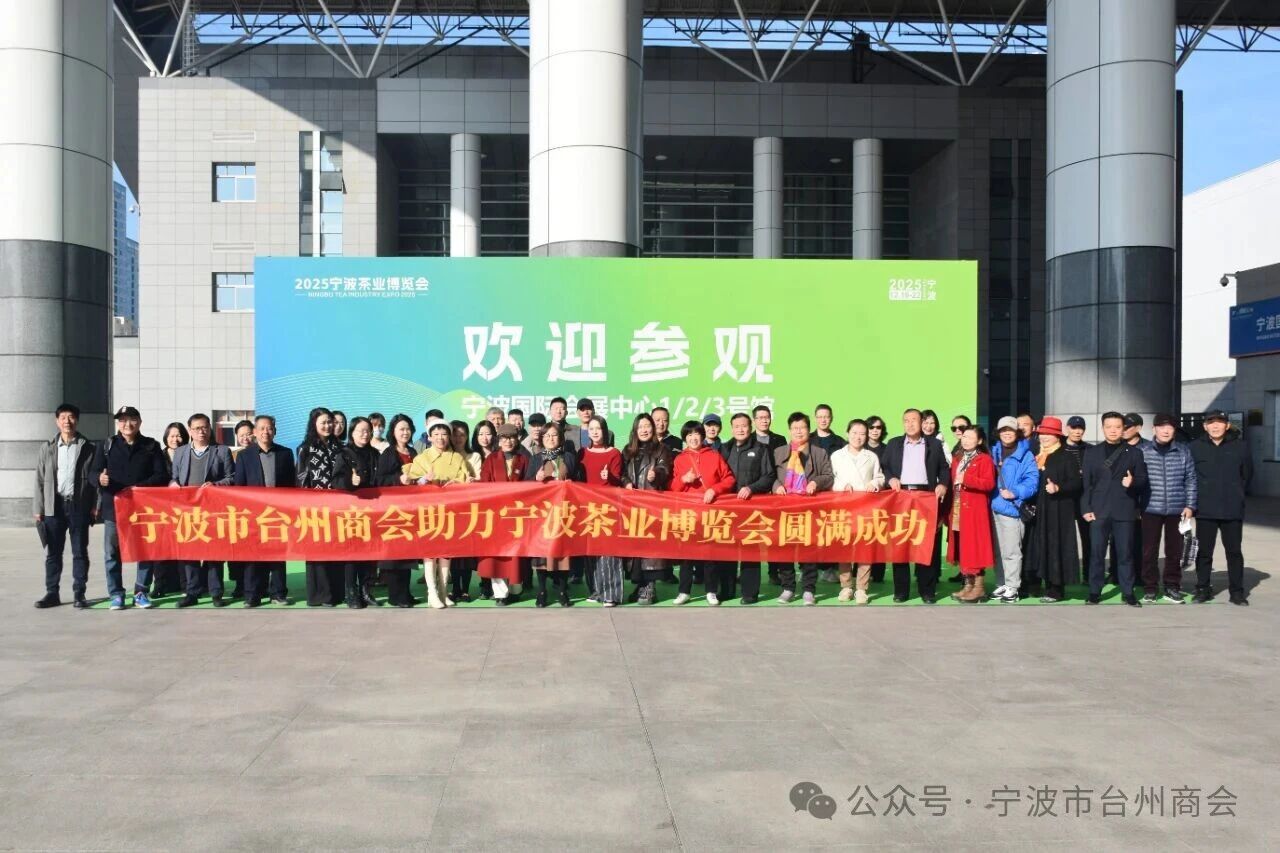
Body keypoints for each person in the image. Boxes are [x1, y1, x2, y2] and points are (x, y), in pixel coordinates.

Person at [90, 406, 169, 610]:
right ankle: (116, 594)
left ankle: (141, 591)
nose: (127, 424)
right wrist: (99, 478)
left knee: (145, 551)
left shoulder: (151, 446)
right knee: (112, 553)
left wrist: (139, 488)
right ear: (118, 423)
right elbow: (92, 473)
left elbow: (161, 475)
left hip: (143, 508)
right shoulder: (106, 445)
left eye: (132, 419)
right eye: (123, 420)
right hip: (114, 509)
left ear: (139, 422)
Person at [882, 408, 951, 603]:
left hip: (925, 497)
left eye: (914, 420)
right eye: (906, 420)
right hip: (901, 496)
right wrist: (890, 478)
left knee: (925, 544)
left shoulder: (934, 444)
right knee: (900, 544)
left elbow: (944, 468)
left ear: (921, 423)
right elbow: (885, 467)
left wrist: (943, 484)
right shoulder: (894, 443)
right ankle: (901, 591)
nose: (910, 424)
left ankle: (927, 591)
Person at [33, 403, 98, 609]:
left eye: (71, 417)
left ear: (77, 420)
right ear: (57, 421)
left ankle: (79, 594)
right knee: (53, 553)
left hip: (79, 506)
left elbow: (95, 480)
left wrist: (95, 505)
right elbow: (39, 479)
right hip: (54, 506)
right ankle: (52, 593)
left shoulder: (88, 447)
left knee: (79, 552)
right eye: (63, 418)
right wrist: (38, 508)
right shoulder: (48, 447)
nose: (67, 421)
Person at [1081, 411, 1148, 606]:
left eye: (1117, 427)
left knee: (1125, 553)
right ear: (1102, 428)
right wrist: (1085, 508)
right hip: (1098, 510)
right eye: (1109, 427)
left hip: (1124, 510)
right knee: (1096, 553)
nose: (1113, 430)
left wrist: (1132, 482)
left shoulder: (1135, 453)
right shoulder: (1092, 453)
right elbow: (1087, 485)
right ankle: (1094, 591)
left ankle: (1128, 592)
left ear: (1123, 429)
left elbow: (1143, 480)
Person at [170, 413, 236, 608]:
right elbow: (174, 477)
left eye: (205, 427)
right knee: (189, 553)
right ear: (189, 431)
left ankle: (216, 592)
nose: (201, 431)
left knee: (214, 553)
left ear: (210, 428)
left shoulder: (222, 451)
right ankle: (192, 592)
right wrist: (173, 483)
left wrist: (216, 485)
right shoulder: (180, 452)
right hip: (187, 509)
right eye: (197, 428)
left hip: (213, 509)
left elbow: (232, 477)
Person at [670, 420, 737, 605]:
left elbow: (729, 479)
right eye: (689, 435)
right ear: (685, 438)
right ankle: (684, 591)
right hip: (688, 513)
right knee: (686, 555)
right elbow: (673, 488)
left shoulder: (714, 455)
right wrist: (683, 479)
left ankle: (711, 591)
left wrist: (714, 490)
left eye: (697, 434)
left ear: (702, 436)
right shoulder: (680, 459)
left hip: (710, 512)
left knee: (710, 553)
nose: (693, 438)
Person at [771, 412, 835, 606]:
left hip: (809, 510)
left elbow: (829, 476)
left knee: (808, 551)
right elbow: (769, 475)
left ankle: (808, 589)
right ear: (789, 430)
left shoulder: (819, 453)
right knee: (785, 550)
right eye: (795, 428)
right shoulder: (779, 452)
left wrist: (816, 482)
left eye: (802, 428)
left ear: (809, 429)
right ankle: (788, 588)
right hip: (784, 510)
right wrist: (776, 486)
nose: (799, 432)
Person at [1190, 410, 1253, 605]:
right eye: (1211, 422)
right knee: (1204, 552)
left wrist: (1236, 494)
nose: (1215, 426)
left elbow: (1247, 475)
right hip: (1205, 510)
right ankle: (1203, 589)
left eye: (1220, 422)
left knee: (1234, 552)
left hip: (1232, 509)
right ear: (1205, 426)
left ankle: (1237, 592)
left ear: (1227, 425)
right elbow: (1190, 476)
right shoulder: (1194, 447)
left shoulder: (1241, 447)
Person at [232, 415, 296, 606]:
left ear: (275, 431)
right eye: (261, 428)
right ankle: (253, 595)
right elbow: (239, 486)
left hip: (278, 514)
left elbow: (291, 485)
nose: (265, 432)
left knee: (277, 555)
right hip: (253, 514)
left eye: (269, 428)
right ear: (255, 431)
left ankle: (278, 593)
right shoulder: (244, 455)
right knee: (253, 556)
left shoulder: (285, 453)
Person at [408, 418, 471, 608]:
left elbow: (466, 480)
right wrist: (424, 480)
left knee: (446, 551)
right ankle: (432, 592)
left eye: (444, 434)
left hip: (451, 511)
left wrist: (458, 483)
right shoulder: (422, 458)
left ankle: (443, 592)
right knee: (430, 553)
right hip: (428, 511)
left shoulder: (457, 458)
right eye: (436, 434)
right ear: (429, 437)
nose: (440, 438)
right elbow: (411, 482)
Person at [1137, 413, 1197, 604]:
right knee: (1149, 551)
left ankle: (1172, 586)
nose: (1165, 431)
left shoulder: (1183, 451)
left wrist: (1190, 505)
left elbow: (1191, 479)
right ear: (1154, 429)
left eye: (1169, 427)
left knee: (1174, 551)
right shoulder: (1142, 451)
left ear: (1174, 430)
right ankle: (1150, 587)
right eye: (1161, 427)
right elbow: (1137, 481)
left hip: (1177, 510)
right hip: (1149, 508)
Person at [717, 412, 776, 605]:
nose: (740, 429)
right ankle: (726, 590)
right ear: (731, 429)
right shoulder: (724, 448)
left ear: (750, 427)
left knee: (750, 550)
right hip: (727, 508)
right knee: (726, 549)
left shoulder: (761, 449)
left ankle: (750, 592)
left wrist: (751, 488)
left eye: (744, 426)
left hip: (752, 508)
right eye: (737, 426)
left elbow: (769, 476)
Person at [1025, 417, 1083, 602]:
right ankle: (1034, 584)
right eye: (1042, 433)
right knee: (1035, 547)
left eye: (1048, 434)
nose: (1044, 437)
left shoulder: (1066, 456)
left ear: (1058, 436)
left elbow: (1076, 483)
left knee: (1055, 547)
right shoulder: (1035, 454)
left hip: (1058, 511)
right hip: (1037, 510)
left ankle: (1055, 589)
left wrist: (1058, 488)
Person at [524, 421, 579, 607]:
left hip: (563, 512)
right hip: (542, 514)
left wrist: (571, 483)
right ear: (542, 438)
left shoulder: (569, 457)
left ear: (560, 438)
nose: (550, 439)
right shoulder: (535, 459)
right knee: (541, 553)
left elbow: (578, 481)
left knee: (563, 553)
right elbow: (525, 485)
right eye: (547, 435)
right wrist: (536, 479)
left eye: (554, 435)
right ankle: (542, 591)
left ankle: (563, 590)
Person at [830, 419, 884, 604]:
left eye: (862, 434)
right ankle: (846, 586)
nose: (858, 437)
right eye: (854, 433)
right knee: (844, 548)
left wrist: (874, 483)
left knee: (864, 548)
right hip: (843, 507)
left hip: (865, 508)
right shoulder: (837, 455)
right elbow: (831, 478)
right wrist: (841, 485)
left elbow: (880, 476)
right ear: (847, 433)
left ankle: (862, 588)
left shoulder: (872, 456)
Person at [622, 413, 673, 605]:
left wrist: (656, 475)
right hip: (632, 506)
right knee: (636, 548)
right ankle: (640, 585)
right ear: (635, 430)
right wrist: (626, 482)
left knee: (651, 549)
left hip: (652, 505)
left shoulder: (662, 449)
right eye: (640, 426)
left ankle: (650, 587)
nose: (644, 430)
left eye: (647, 426)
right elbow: (621, 473)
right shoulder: (628, 450)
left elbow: (665, 469)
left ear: (653, 428)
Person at [478, 424, 530, 606]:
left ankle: (516, 589)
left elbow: (530, 485)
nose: (508, 441)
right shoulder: (491, 459)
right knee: (497, 555)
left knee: (516, 555)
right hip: (496, 515)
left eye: (512, 437)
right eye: (504, 438)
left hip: (517, 515)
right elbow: (483, 485)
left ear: (517, 439)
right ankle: (500, 593)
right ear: (498, 440)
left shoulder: (524, 459)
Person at [297, 407, 345, 607]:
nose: (327, 426)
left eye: (329, 422)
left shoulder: (339, 446)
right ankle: (320, 595)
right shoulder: (305, 448)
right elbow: (301, 478)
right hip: (315, 508)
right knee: (317, 551)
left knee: (337, 549)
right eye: (323, 422)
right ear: (314, 424)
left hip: (338, 507)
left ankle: (337, 593)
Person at [989, 416, 1039, 603]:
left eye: (1010, 430)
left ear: (1017, 432)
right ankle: (1001, 583)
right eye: (1003, 430)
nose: (1007, 433)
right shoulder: (993, 452)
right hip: (993, 507)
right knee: (998, 550)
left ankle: (1013, 586)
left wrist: (1015, 492)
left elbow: (1032, 481)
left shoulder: (1026, 455)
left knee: (1012, 550)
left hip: (1011, 509)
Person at [333, 416, 382, 608]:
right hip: (351, 512)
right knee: (352, 554)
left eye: (368, 430)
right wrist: (350, 482)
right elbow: (336, 481)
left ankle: (366, 590)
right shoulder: (344, 454)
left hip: (372, 511)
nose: (365, 434)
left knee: (370, 553)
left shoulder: (375, 454)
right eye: (361, 430)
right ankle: (351, 592)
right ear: (352, 433)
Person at [578, 415, 627, 606]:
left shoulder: (614, 453)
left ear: (605, 431)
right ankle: (596, 591)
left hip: (608, 508)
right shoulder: (582, 453)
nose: (595, 432)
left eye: (598, 428)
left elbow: (618, 480)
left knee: (609, 553)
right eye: (591, 429)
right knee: (590, 551)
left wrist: (610, 477)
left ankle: (611, 594)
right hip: (587, 508)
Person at [946, 425, 997, 603]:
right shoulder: (958, 458)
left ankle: (979, 588)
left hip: (975, 510)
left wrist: (966, 479)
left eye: (970, 437)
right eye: (964, 437)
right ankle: (968, 585)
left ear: (980, 441)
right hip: (958, 507)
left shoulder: (984, 459)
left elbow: (989, 484)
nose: (965, 440)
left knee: (975, 548)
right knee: (963, 547)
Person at [374, 414, 419, 608]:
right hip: (393, 511)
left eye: (408, 429)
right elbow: (379, 480)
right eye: (401, 429)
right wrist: (398, 479)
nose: (405, 432)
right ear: (393, 432)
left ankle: (405, 593)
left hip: (410, 508)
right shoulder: (388, 453)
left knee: (407, 554)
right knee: (394, 556)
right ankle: (396, 596)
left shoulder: (413, 452)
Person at [456, 420, 498, 601]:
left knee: (492, 547)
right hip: (472, 508)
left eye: (488, 433)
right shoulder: (473, 455)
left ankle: (492, 584)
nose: (484, 437)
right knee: (478, 548)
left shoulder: (500, 454)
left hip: (494, 508)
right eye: (480, 434)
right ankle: (484, 584)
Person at [149, 422, 189, 598]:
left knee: (184, 547)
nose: (175, 439)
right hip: (162, 509)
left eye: (179, 435)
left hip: (184, 509)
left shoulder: (189, 454)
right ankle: (160, 584)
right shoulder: (158, 455)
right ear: (166, 437)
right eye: (172, 436)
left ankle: (185, 584)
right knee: (161, 548)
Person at [1063, 415, 1091, 580]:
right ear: (1067, 428)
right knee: (1065, 539)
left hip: (1085, 499)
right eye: (1074, 428)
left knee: (1089, 539)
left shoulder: (1090, 449)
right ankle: (1064, 575)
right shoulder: (1059, 448)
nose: (1077, 431)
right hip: (1064, 498)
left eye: (1080, 428)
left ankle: (1088, 575)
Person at [865, 414, 890, 584]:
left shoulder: (887, 449)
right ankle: (859, 571)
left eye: (878, 427)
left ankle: (878, 572)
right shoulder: (859, 448)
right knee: (862, 535)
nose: (875, 430)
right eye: (871, 427)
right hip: (862, 500)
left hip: (882, 499)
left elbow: (889, 472)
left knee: (880, 535)